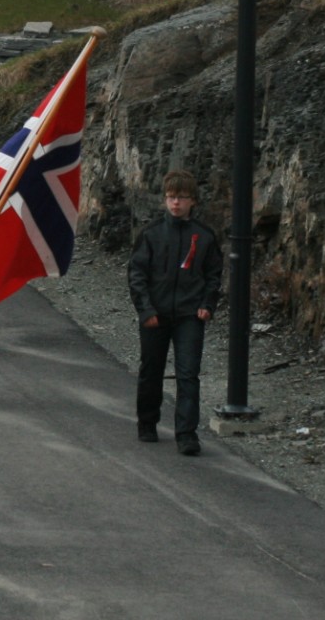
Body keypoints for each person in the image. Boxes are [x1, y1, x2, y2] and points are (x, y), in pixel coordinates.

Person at [128, 169, 222, 455]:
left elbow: (213, 274)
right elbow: (137, 274)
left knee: (188, 374)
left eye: (181, 198)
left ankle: (186, 434)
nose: (175, 203)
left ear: (193, 200)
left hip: (189, 316)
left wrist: (207, 304)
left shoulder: (204, 236)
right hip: (155, 315)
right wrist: (145, 310)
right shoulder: (151, 234)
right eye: (171, 198)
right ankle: (147, 422)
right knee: (150, 370)